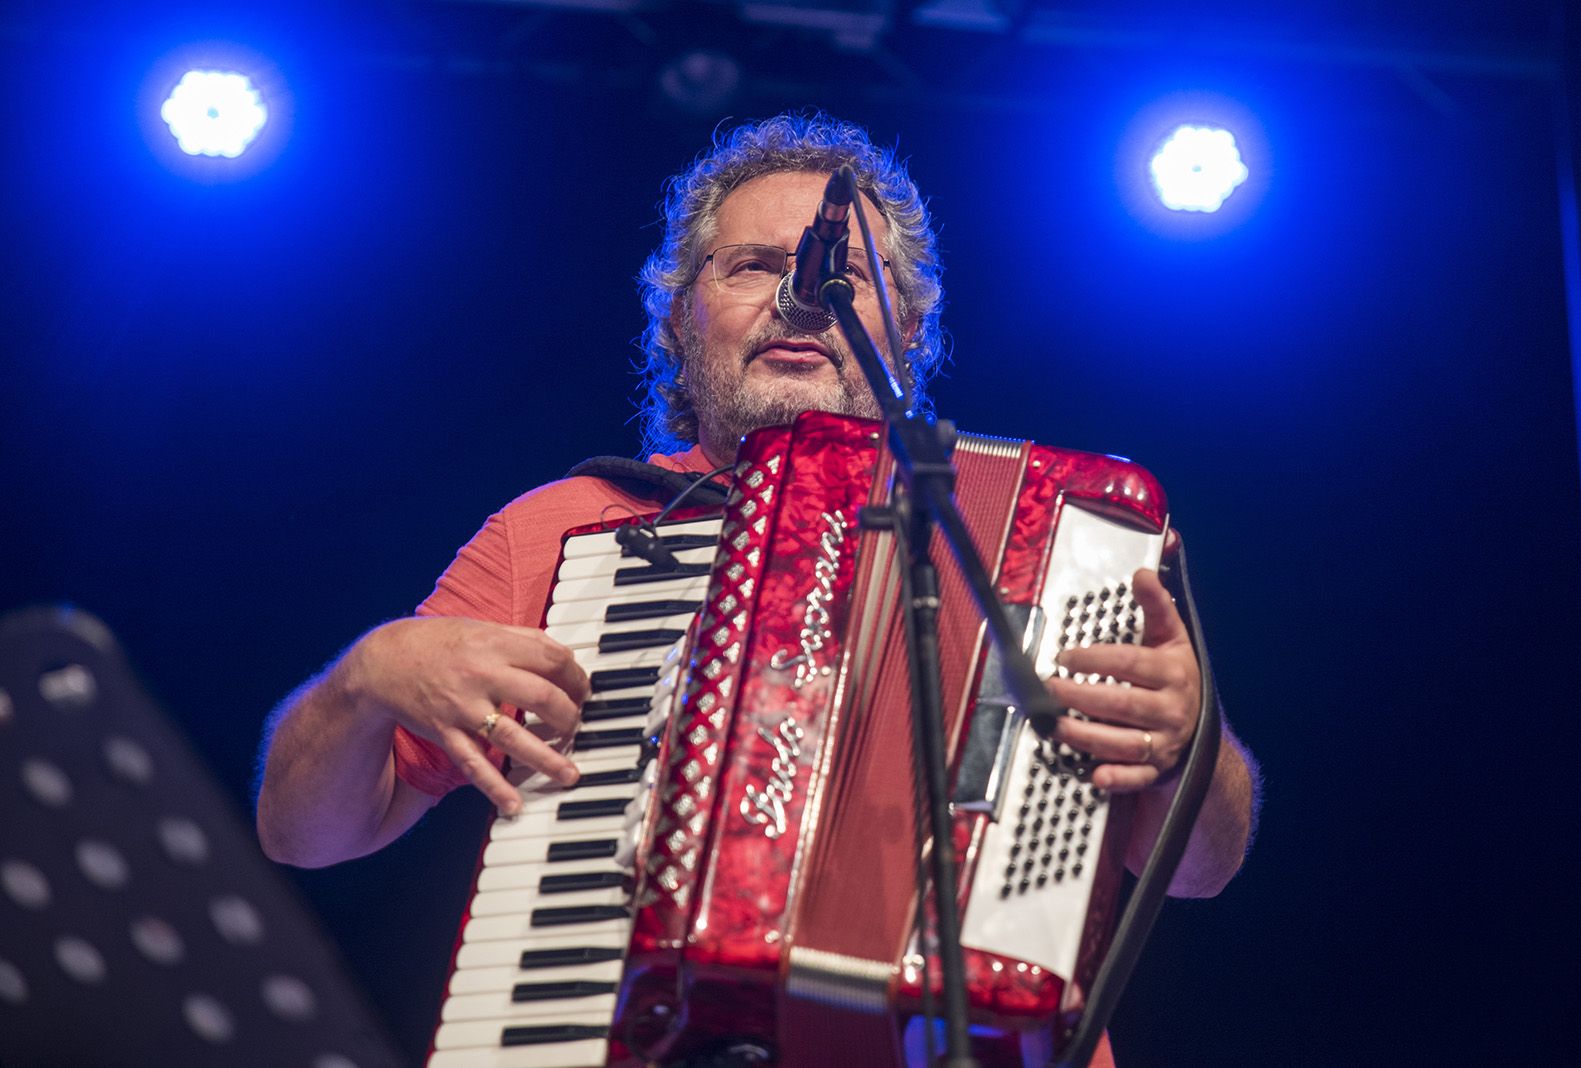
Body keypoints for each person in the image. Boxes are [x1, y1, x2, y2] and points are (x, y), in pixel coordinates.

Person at [255, 111, 1259, 1054]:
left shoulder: (1054, 547)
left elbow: (1202, 869)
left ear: (909, 328)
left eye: (841, 276)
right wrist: (368, 678)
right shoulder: (564, 534)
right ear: (681, 316)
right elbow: (305, 835)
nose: (801, 297)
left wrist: (1190, 745)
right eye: (754, 267)